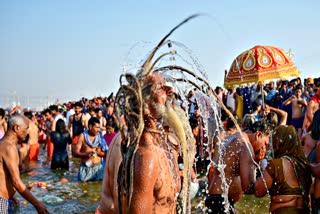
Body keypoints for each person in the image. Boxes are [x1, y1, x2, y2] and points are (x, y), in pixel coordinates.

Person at [97, 73, 193, 213]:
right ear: (145, 105)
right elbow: (123, 201)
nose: (170, 91)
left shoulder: (160, 144)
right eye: (161, 87)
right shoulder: (145, 156)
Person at [206, 120, 271, 213]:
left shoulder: (237, 136)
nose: (264, 148)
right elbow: (248, 187)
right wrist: (268, 178)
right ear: (258, 135)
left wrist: (256, 161)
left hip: (217, 199)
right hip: (220, 202)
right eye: (265, 143)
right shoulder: (246, 146)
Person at [255, 125, 311, 213]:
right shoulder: (304, 164)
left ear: (277, 143)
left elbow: (258, 191)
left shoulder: (275, 165)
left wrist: (257, 164)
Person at [0, 114, 49, 213]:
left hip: (6, 199)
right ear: (16, 128)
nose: (28, 132)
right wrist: (37, 204)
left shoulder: (5, 144)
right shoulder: (8, 147)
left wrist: (11, 195)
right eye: (26, 128)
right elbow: (16, 182)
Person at [72, 117, 107, 182]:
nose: (98, 129)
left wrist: (99, 153)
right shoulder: (82, 136)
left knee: (98, 189)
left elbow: (106, 154)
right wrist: (86, 154)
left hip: (98, 168)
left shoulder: (100, 137)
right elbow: (75, 153)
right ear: (90, 127)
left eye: (99, 127)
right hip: (85, 169)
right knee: (84, 189)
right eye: (96, 127)